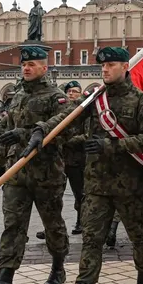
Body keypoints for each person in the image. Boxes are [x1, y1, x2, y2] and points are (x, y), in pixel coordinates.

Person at [25, 48, 143, 284]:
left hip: (129, 185)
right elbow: (68, 116)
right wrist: (42, 128)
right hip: (97, 184)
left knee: (138, 235)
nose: (105, 69)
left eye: (111, 65)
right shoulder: (95, 98)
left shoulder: (139, 102)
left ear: (125, 67)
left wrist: (113, 145)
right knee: (91, 240)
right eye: (102, 66)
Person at [0, 46, 70, 284]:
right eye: (24, 65)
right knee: (13, 226)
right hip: (17, 174)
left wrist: (24, 134)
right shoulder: (17, 96)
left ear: (44, 68)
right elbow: (5, 129)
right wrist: (0, 160)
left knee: (52, 225)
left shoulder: (56, 97)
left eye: (33, 64)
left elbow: (63, 131)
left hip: (46, 174)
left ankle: (58, 267)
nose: (26, 68)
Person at [63, 81, 85, 236]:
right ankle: (52, 227)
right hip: (60, 159)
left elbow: (89, 133)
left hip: (77, 159)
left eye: (74, 91)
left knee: (79, 194)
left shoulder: (84, 110)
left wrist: (72, 141)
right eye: (69, 91)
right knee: (54, 194)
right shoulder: (62, 110)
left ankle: (81, 222)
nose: (71, 94)